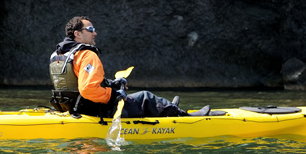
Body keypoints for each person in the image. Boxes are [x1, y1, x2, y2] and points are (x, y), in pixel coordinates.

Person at [50, 16, 210, 118]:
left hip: (72, 108)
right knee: (146, 97)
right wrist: (113, 95)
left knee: (136, 98)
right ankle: (184, 117)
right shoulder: (87, 55)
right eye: (90, 30)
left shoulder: (60, 55)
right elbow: (87, 90)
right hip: (96, 110)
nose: (95, 33)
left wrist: (112, 84)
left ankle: (171, 108)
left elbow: (77, 84)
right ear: (77, 34)